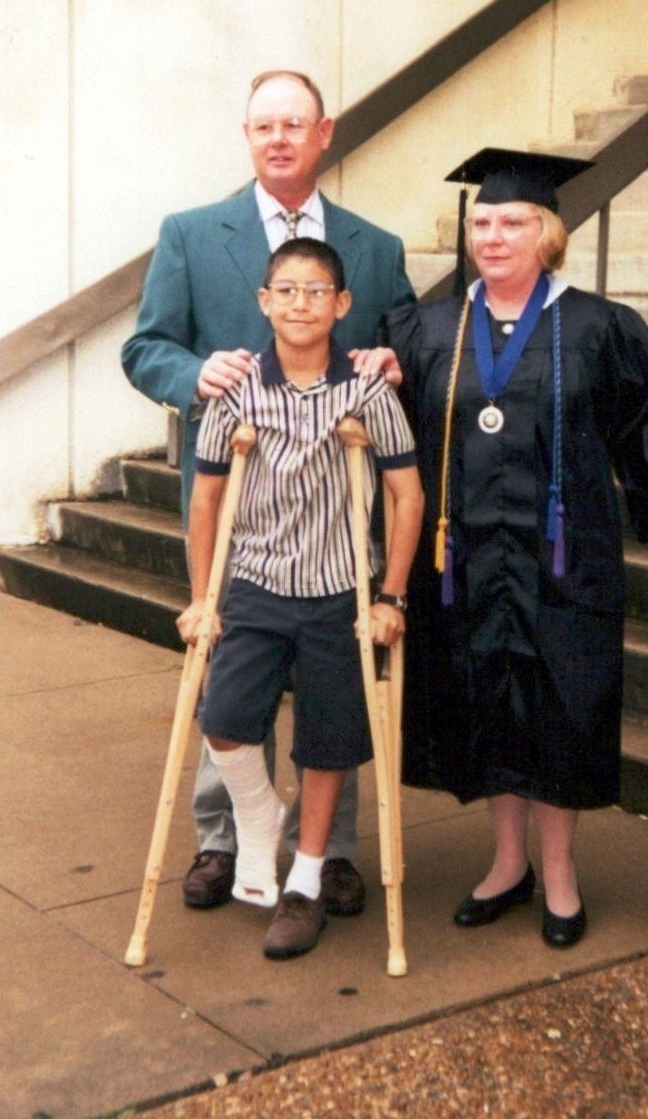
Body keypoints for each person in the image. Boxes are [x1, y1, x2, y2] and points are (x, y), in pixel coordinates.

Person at [375, 148, 648, 949]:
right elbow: (393, 431)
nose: (491, 237)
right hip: (464, 563)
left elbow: (643, 420)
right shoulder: (427, 329)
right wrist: (374, 379)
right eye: (481, 223)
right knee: (487, 704)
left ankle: (559, 873)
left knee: (559, 710)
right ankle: (506, 862)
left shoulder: (599, 326)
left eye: (512, 222)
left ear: (546, 234)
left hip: (565, 563)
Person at [122, 70, 415, 916]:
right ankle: (226, 838)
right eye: (263, 126)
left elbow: (403, 343)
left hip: (330, 516)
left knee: (335, 686)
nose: (278, 138)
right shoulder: (189, 233)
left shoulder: (373, 246)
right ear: (246, 136)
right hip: (237, 505)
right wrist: (193, 373)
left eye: (294, 124)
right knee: (230, 676)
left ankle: (331, 852)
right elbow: (146, 347)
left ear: (324, 133)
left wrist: (394, 360)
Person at [177, 237, 423, 958]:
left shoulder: (367, 392)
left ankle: (306, 881)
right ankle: (258, 817)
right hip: (255, 585)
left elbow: (406, 494)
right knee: (223, 718)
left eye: (316, 292)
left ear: (341, 304)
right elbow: (206, 499)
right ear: (264, 301)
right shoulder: (236, 392)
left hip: (338, 592)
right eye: (286, 290)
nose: (300, 304)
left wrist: (391, 597)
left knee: (326, 740)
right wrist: (202, 597)